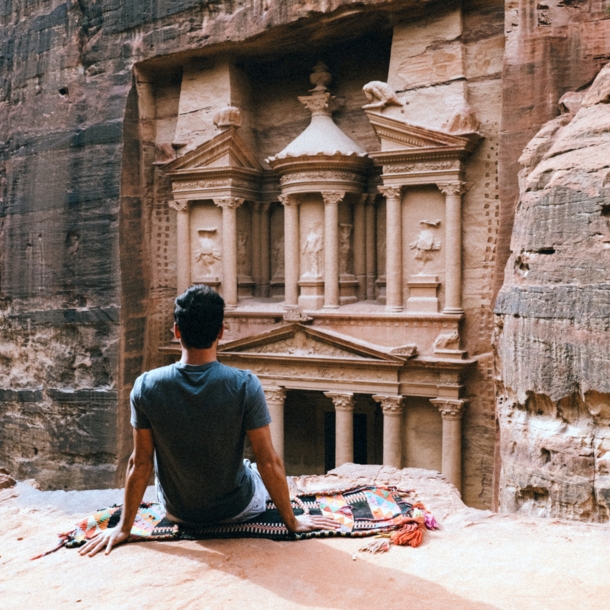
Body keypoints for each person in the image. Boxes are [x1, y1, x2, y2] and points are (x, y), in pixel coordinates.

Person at [80, 285, 338, 557]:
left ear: (177, 330)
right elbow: (268, 461)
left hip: (178, 512)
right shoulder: (245, 385)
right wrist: (292, 522)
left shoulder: (146, 386)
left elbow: (140, 462)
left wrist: (124, 527)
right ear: (221, 332)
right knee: (251, 469)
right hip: (236, 510)